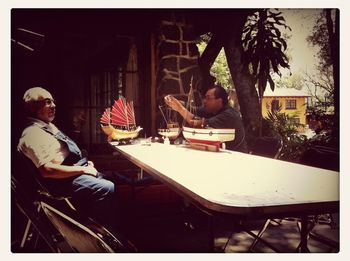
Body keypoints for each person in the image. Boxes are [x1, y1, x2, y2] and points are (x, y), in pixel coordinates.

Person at [17, 87, 115, 227]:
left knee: (111, 178)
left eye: (53, 101)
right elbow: (47, 170)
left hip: (71, 172)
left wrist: (84, 164)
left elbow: (62, 152)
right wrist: (83, 170)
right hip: (59, 182)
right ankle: (100, 237)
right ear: (33, 107)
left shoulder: (47, 126)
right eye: (47, 102)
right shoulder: (32, 134)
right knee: (106, 188)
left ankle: (108, 226)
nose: (53, 105)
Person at [165, 85, 248, 152]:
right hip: (219, 153)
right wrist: (176, 102)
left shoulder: (229, 115)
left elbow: (195, 122)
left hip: (237, 157)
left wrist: (179, 108)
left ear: (219, 101)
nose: (205, 101)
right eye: (205, 97)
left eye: (208, 98)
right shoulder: (211, 110)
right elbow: (193, 110)